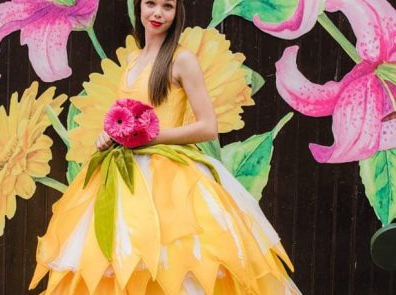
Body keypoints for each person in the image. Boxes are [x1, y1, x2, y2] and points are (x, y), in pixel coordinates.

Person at [30, 0, 302, 294]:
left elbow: (208, 126)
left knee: (174, 258)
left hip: (170, 175)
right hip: (124, 174)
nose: (158, 13)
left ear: (177, 13)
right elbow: (123, 116)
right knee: (119, 260)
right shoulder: (133, 60)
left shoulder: (182, 60)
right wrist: (107, 135)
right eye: (151, 4)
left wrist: (152, 137)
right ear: (139, 8)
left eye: (167, 6)